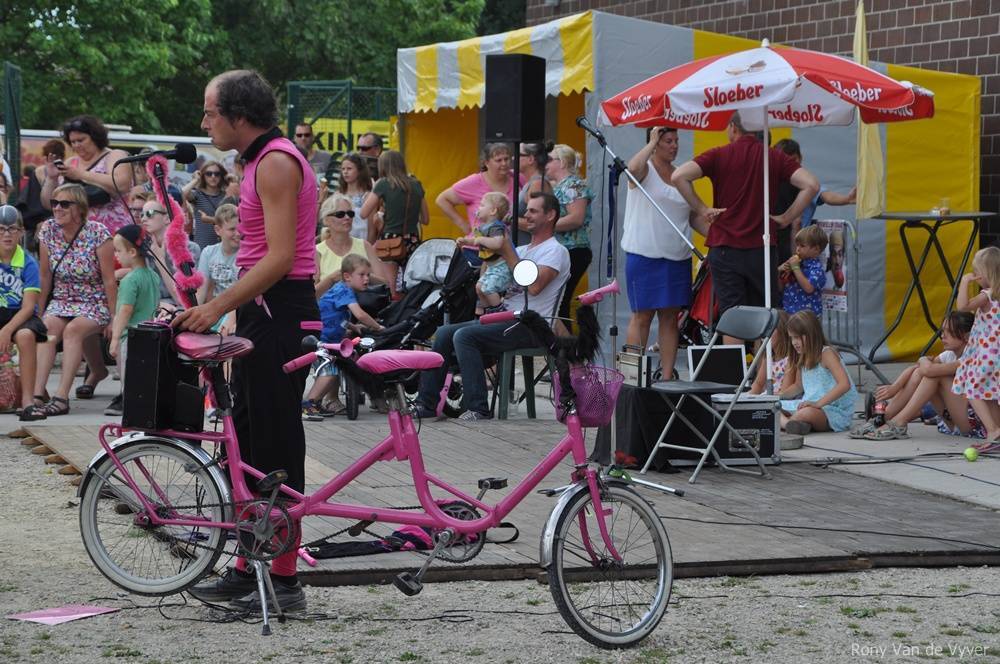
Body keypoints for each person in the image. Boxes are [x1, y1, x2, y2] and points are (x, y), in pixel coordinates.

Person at [177, 69, 320, 613]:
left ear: (239, 115)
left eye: (210, 111)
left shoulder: (277, 161)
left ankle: (283, 579)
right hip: (263, 311)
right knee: (250, 440)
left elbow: (281, 258)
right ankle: (248, 564)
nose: (204, 122)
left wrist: (216, 307)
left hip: (281, 311)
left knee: (276, 444)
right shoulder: (257, 161)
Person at [414, 191, 570, 421]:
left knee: (465, 336)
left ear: (550, 215)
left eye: (533, 211)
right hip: (506, 317)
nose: (526, 215)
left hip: (533, 325)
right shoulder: (523, 250)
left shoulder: (555, 251)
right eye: (526, 210)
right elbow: (493, 280)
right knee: (445, 332)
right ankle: (425, 404)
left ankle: (477, 408)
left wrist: (507, 253)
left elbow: (535, 286)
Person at [672, 112, 820, 344]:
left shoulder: (719, 154)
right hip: (762, 248)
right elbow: (811, 184)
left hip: (725, 248)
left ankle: (738, 367)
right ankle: (765, 367)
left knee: (732, 316)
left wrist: (702, 209)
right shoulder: (773, 157)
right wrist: (786, 217)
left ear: (733, 127)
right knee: (766, 314)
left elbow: (679, 176)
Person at [622, 126, 709, 378]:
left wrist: (717, 237)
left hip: (677, 257)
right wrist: (650, 142)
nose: (674, 145)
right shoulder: (645, 169)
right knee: (642, 316)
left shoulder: (681, 175)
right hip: (644, 256)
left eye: (676, 140)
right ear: (654, 143)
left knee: (670, 318)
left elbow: (692, 216)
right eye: (668, 141)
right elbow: (631, 170)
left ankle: (668, 376)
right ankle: (631, 377)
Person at [33, 184, 117, 416]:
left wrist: (114, 317)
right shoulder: (48, 229)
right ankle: (37, 394)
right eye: (54, 203)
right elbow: (44, 275)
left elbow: (109, 280)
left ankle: (61, 397)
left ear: (80, 208)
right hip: (62, 298)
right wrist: (38, 312)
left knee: (73, 330)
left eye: (64, 204)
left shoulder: (98, 233)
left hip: (94, 299)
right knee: (47, 329)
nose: (57, 208)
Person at [850, 312, 983, 441]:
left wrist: (923, 359)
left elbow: (929, 370)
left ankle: (899, 422)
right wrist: (895, 387)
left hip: (972, 425)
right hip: (953, 421)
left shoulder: (971, 357)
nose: (943, 336)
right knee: (921, 373)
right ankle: (882, 419)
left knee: (935, 375)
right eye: (943, 331)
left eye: (949, 331)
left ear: (967, 336)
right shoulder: (949, 355)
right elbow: (917, 370)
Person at [301, 254, 383, 421]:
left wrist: (353, 327)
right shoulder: (344, 290)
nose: (366, 279)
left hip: (327, 339)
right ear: (347, 276)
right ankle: (308, 405)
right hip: (322, 339)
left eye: (368, 275)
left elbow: (336, 316)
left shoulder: (341, 289)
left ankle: (316, 403)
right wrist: (378, 327)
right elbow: (360, 314)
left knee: (333, 371)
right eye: (362, 275)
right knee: (329, 372)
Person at [41, 115, 133, 234]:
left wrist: (81, 175)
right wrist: (51, 178)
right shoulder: (70, 163)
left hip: (112, 231)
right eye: (73, 142)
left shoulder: (114, 155)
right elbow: (48, 204)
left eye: (81, 140)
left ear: (95, 137)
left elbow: (122, 185)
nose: (76, 145)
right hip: (76, 234)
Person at [105, 225, 161, 417]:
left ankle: (129, 410)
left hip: (131, 337)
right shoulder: (153, 276)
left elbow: (125, 310)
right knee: (144, 378)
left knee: (128, 377)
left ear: (132, 252)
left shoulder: (130, 280)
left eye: (118, 251)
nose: (116, 256)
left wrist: (115, 339)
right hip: (150, 334)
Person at [772, 138, 856, 265]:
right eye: (786, 161)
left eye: (793, 160)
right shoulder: (772, 183)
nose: (790, 165)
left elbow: (826, 196)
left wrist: (847, 199)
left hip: (800, 249)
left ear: (800, 158)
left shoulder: (806, 183)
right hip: (776, 244)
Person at [0, 206, 48, 421]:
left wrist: (6, 330)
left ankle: (28, 401)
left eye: (12, 229)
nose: (7, 234)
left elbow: (29, 307)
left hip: (20, 314)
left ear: (20, 232)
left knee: (26, 336)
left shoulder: (28, 263)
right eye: (1, 229)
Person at [360, 150, 428, 300]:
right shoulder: (416, 185)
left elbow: (363, 213)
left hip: (389, 241)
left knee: (391, 289)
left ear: (383, 166)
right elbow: (425, 219)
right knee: (410, 286)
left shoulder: (383, 184)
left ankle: (393, 310)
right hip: (412, 240)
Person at [779, 310, 858, 434]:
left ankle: (787, 423)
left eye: (797, 337)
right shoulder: (802, 355)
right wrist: (777, 396)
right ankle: (795, 424)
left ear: (811, 334)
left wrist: (818, 404)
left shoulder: (826, 353)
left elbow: (844, 384)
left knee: (806, 413)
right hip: (809, 404)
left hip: (832, 410)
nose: (794, 342)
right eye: (792, 338)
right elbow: (798, 386)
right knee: (773, 407)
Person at [952, 245, 1000, 448]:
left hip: (986, 354)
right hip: (995, 354)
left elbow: (962, 307)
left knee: (972, 391)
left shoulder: (987, 295)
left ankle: (992, 430)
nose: (974, 275)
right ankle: (997, 431)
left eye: (976, 271)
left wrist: (964, 282)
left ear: (987, 273)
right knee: (990, 395)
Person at [436, 143, 524, 246]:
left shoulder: (518, 178)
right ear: (486, 163)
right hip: (477, 249)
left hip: (509, 247)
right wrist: (462, 224)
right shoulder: (473, 182)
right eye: (498, 160)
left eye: (506, 159)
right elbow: (442, 200)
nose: (504, 163)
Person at [546, 144, 594, 331]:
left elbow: (576, 218)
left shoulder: (574, 185)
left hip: (574, 249)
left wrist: (545, 225)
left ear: (563, 162)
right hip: (564, 249)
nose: (545, 164)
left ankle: (565, 344)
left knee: (560, 300)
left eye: (550, 159)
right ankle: (561, 343)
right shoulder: (560, 186)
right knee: (557, 300)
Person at [315, 194, 385, 298]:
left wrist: (362, 275)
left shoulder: (365, 245)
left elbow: (385, 284)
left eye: (350, 213)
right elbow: (311, 293)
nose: (347, 217)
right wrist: (331, 279)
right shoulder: (318, 251)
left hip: (364, 305)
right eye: (340, 214)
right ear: (326, 220)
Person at [139, 197, 202, 312]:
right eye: (141, 215)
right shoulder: (144, 249)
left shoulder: (188, 248)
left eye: (149, 213)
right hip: (157, 309)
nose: (143, 219)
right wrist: (159, 305)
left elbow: (185, 300)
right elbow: (144, 295)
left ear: (167, 218)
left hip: (182, 311)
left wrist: (159, 260)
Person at [456, 192, 513, 314]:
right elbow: (475, 241)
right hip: (492, 267)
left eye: (482, 205)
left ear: (493, 211)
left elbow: (497, 243)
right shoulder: (485, 227)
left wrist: (480, 240)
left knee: (488, 288)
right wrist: (466, 241)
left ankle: (499, 311)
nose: (478, 208)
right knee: (479, 287)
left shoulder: (496, 227)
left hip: (502, 267)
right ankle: (488, 311)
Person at [196, 203, 240, 334]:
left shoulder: (245, 254)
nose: (238, 233)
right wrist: (192, 313)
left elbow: (240, 293)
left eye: (240, 228)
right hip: (217, 308)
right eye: (232, 229)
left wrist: (231, 319)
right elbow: (201, 291)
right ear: (217, 230)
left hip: (238, 308)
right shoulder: (209, 252)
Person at [778, 224, 828, 316]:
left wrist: (795, 268)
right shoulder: (798, 264)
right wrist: (780, 270)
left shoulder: (817, 269)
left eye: (802, 246)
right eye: (797, 245)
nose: (798, 249)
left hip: (808, 317)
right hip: (789, 311)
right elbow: (780, 287)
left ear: (816, 249)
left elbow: (809, 288)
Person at [183, 160, 230, 249]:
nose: (213, 177)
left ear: (221, 176)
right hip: (202, 245)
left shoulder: (226, 195)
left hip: (223, 246)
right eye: (209, 174)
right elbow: (182, 194)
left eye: (217, 174)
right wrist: (196, 180)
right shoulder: (198, 194)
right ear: (203, 176)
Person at [749, 310, 796, 395]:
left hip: (781, 400)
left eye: (770, 330)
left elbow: (785, 391)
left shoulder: (790, 359)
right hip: (768, 397)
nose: (765, 334)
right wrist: (746, 398)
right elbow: (758, 384)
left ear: (782, 331)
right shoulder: (769, 357)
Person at [337, 153, 374, 240]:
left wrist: (369, 246)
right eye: (343, 169)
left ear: (359, 171)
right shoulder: (338, 195)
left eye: (349, 168)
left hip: (362, 241)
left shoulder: (368, 196)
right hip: (342, 242)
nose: (345, 172)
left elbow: (371, 229)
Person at [516, 142, 552, 220]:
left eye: (518, 154)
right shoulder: (532, 182)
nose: (513, 158)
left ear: (530, 159)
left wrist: (510, 220)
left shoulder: (537, 184)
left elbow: (536, 221)